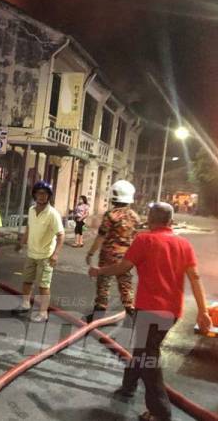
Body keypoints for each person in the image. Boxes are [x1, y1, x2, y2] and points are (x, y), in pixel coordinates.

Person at [88, 202, 212, 421]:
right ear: (170, 221)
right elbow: (195, 278)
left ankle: (160, 412)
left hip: (149, 309)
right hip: (172, 311)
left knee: (149, 358)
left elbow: (123, 267)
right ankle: (128, 386)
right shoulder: (184, 245)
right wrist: (203, 312)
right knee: (143, 349)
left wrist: (99, 271)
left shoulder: (145, 240)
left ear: (150, 219)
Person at [85, 180, 140, 322]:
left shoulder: (110, 215)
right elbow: (135, 237)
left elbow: (101, 236)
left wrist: (90, 253)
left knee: (103, 281)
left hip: (108, 255)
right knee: (125, 283)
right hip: (126, 257)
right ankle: (131, 311)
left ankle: (99, 312)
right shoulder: (135, 216)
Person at [15, 180, 65, 323]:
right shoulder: (31, 210)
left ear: (49, 196)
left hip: (46, 256)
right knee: (27, 280)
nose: (41, 196)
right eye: (39, 193)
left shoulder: (53, 214)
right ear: (34, 195)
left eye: (44, 194)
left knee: (43, 285)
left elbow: (61, 235)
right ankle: (25, 303)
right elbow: (29, 228)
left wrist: (55, 254)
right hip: (31, 253)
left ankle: (43, 313)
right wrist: (21, 243)